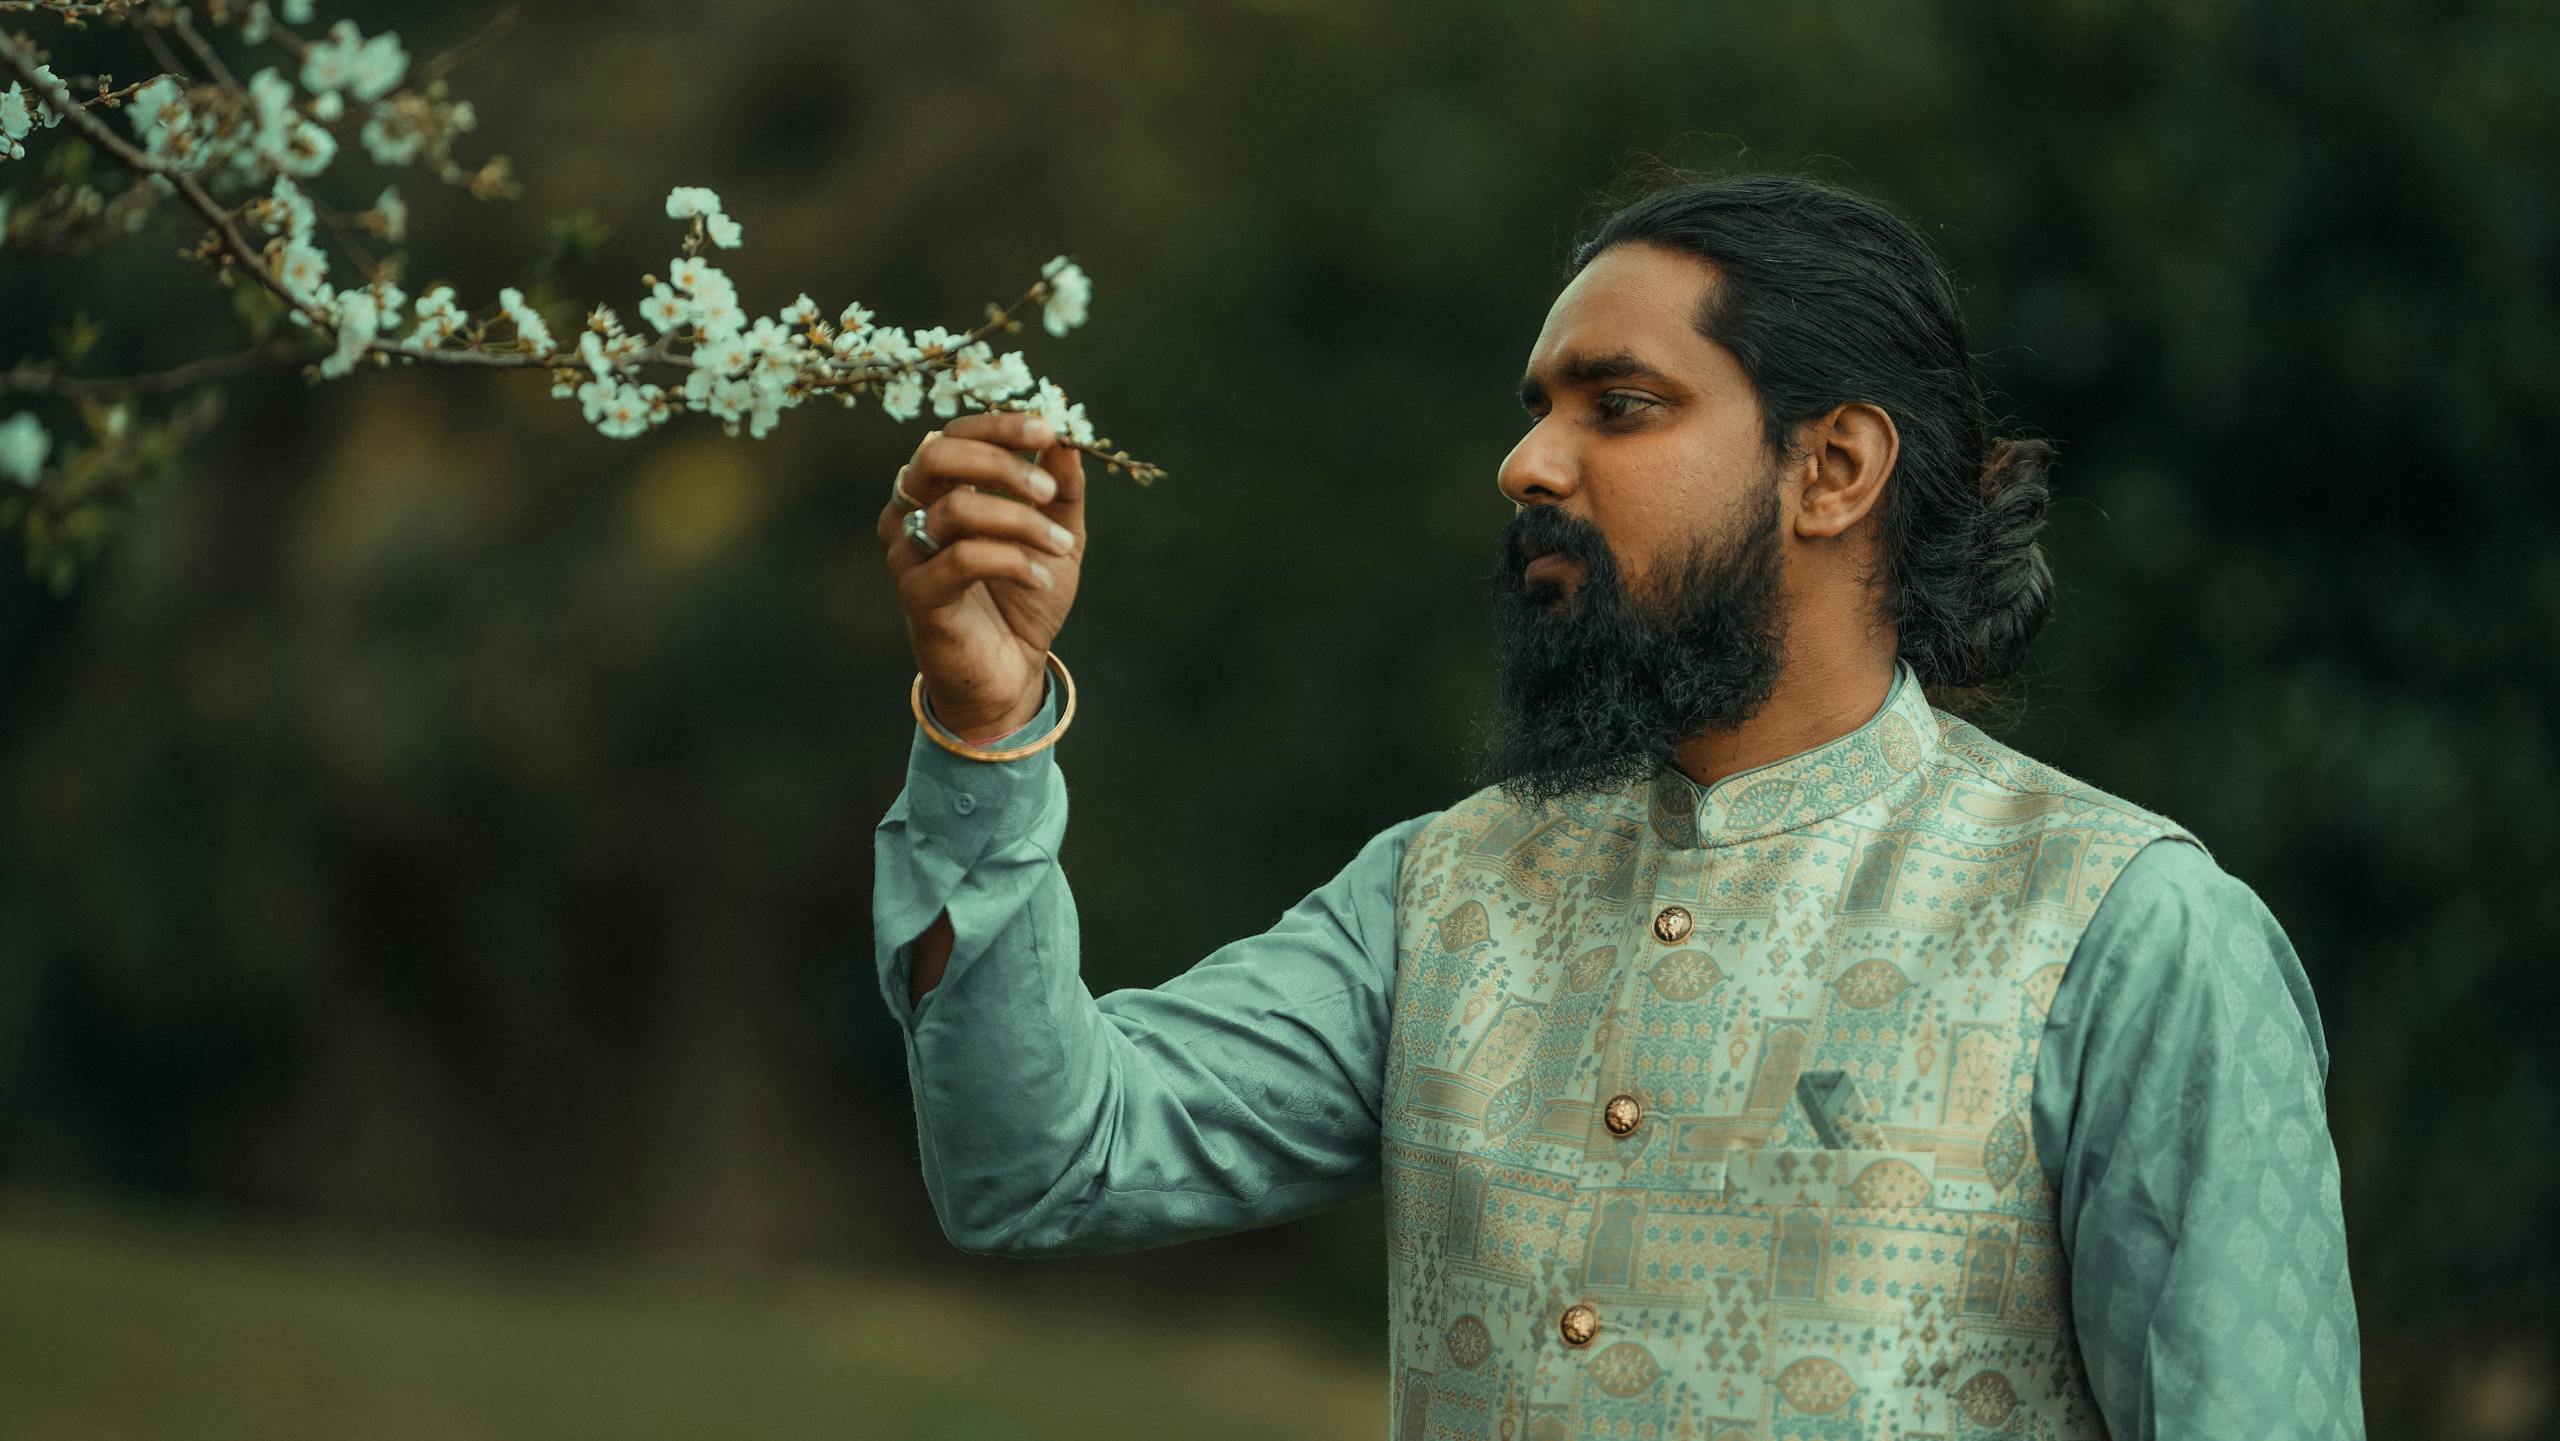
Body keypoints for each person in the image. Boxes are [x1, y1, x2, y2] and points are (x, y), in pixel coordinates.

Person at [870, 172, 2365, 1440]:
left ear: (1832, 467)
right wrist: (989, 727)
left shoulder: (2129, 933)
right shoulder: (1445, 894)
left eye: (1622, 406)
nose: (1526, 461)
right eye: (1538, 411)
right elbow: (1038, 1160)